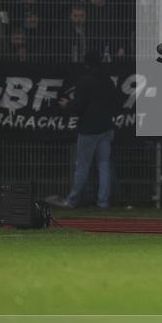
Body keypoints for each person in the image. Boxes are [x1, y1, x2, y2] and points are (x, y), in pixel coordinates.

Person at [46, 52, 119, 209]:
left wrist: (67, 105)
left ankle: (72, 199)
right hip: (106, 127)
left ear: (86, 65)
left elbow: (79, 106)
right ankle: (103, 202)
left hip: (89, 129)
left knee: (83, 166)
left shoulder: (84, 81)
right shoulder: (108, 81)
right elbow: (114, 102)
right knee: (104, 164)